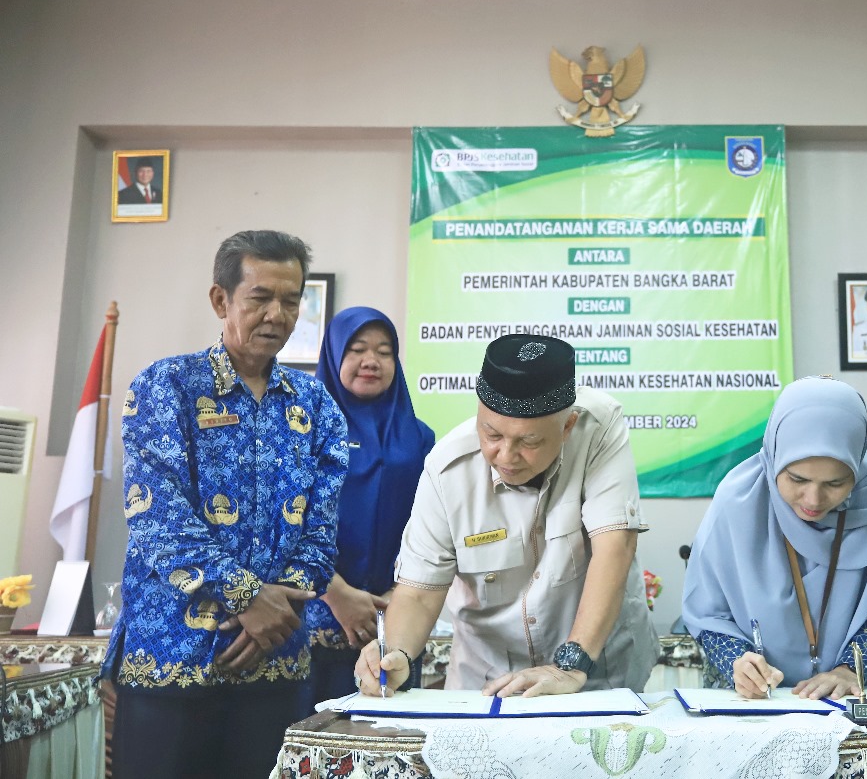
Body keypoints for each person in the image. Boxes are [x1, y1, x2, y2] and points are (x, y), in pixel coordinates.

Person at [103, 230, 348, 779]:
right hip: (172, 659)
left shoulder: (316, 406)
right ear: (221, 300)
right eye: (260, 297)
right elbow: (158, 518)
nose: (277, 315)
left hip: (277, 662)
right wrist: (247, 598)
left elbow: (322, 528)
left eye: (291, 300)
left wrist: (274, 614)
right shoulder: (167, 386)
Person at [355, 333, 659, 697]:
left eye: (529, 442)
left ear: (567, 427)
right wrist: (396, 654)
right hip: (488, 682)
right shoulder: (447, 470)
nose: (506, 455)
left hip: (594, 674)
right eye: (492, 434)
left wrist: (571, 665)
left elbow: (615, 546)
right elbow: (419, 593)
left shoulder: (598, 428)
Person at [682, 376, 867, 699]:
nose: (813, 500)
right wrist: (739, 662)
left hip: (854, 692)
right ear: (775, 457)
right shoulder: (738, 500)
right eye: (797, 479)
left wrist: (851, 668)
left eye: (836, 483)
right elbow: (708, 612)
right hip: (758, 701)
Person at [300, 307, 436, 709]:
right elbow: (286, 520)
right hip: (316, 610)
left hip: (395, 614)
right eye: (357, 349)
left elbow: (433, 524)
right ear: (333, 356)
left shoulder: (421, 437)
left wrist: (403, 593)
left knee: (388, 727)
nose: (371, 361)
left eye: (384, 351)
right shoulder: (302, 431)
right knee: (314, 733)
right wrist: (337, 593)